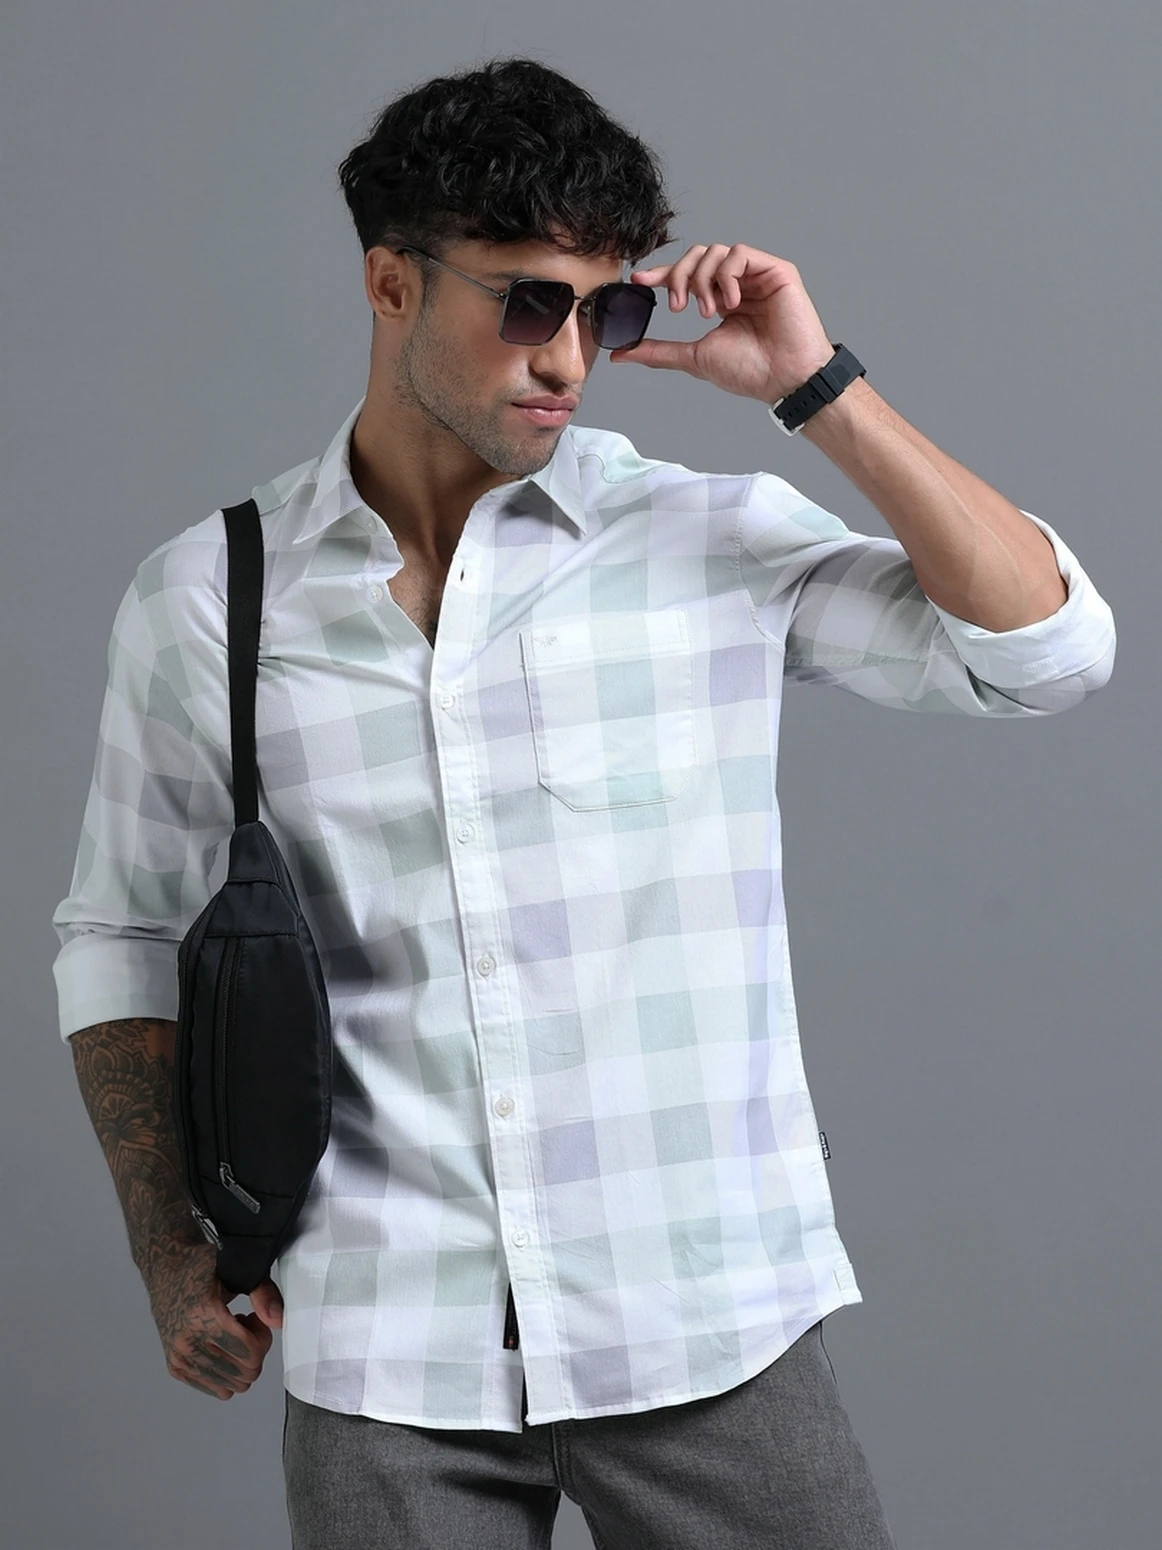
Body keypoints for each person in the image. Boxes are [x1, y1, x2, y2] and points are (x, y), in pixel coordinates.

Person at [53, 54, 1115, 1550]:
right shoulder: (209, 600)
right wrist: (170, 1246)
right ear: (389, 283)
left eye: (604, 311)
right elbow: (120, 931)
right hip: (388, 1345)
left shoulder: (699, 540)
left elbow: (1047, 654)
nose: (569, 356)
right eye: (527, 302)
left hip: (705, 1323)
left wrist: (814, 389)